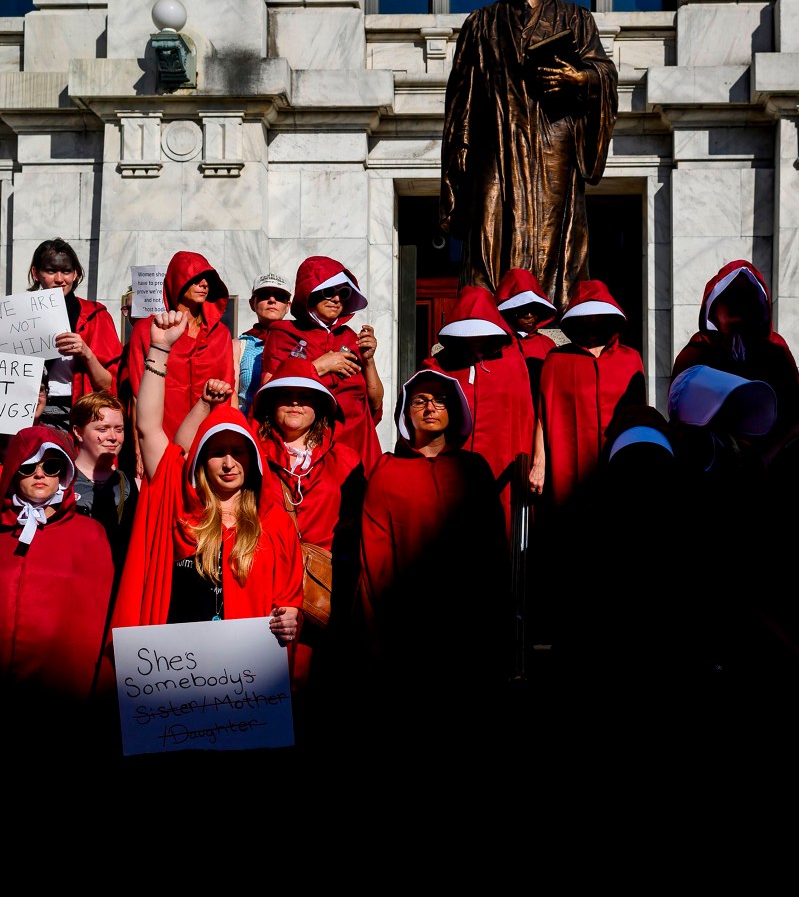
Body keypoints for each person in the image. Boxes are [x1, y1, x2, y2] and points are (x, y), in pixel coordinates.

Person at [0, 426, 117, 824]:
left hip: (57, 700)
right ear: (13, 470)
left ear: (65, 475)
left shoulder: (90, 534)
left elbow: (95, 619)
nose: (40, 474)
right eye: (29, 466)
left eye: (52, 466)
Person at [439, 0, 618, 309]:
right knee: (488, 221)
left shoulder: (574, 18)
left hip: (552, 140)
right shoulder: (480, 22)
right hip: (496, 140)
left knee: (552, 229)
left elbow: (604, 71)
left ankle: (549, 309)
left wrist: (579, 80)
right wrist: (461, 143)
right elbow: (462, 91)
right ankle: (484, 309)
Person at [111, 310, 301, 643]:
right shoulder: (181, 507)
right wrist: (159, 348)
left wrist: (290, 617)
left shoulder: (275, 522)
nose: (229, 463)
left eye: (238, 452)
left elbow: (287, 601)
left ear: (254, 460)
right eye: (217, 452)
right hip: (178, 675)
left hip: (245, 674)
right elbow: (148, 428)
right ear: (201, 461)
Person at [346, 368, 508, 748]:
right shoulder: (386, 472)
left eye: (439, 400)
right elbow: (374, 556)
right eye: (419, 400)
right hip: (407, 628)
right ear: (407, 412)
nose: (430, 407)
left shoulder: (474, 469)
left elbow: (493, 550)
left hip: (468, 627)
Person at [252, 357, 366, 731]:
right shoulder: (248, 453)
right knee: (262, 699)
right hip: (262, 592)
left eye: (305, 397)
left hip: (323, 597)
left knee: (319, 701)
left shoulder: (346, 458)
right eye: (286, 396)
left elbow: (361, 529)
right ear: (270, 404)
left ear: (319, 407)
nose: (296, 403)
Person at [673, 260, 799, 461]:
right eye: (730, 301)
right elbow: (682, 417)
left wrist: (766, 461)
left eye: (746, 300)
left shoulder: (775, 349)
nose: (738, 310)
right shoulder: (699, 349)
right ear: (714, 308)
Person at [424, 285, 536, 531]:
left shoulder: (513, 364)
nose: (475, 338)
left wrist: (532, 463)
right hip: (450, 469)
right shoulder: (437, 365)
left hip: (502, 464)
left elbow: (526, 415)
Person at [260, 255, 384, 475]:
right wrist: (320, 366)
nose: (336, 299)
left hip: (358, 442)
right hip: (312, 445)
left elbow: (375, 402)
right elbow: (270, 392)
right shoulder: (283, 334)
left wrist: (369, 360)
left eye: (343, 293)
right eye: (329, 291)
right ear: (310, 293)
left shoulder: (350, 337)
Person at [528, 279, 645, 509]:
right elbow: (543, 415)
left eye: (598, 321)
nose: (592, 328)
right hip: (570, 467)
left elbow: (639, 417)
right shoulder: (557, 360)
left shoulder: (631, 359)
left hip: (618, 461)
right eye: (585, 322)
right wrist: (538, 463)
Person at [122, 249, 235, 442]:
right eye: (196, 277)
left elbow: (229, 390)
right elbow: (136, 394)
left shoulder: (221, 334)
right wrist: (140, 449)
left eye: (208, 279)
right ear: (178, 281)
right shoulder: (148, 330)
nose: (204, 284)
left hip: (209, 439)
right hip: (161, 437)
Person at [27, 239, 123, 429]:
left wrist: (86, 353)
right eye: (51, 271)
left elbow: (108, 385)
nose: (60, 279)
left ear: (76, 274)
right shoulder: (15, 316)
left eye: (67, 271)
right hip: (27, 414)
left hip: (79, 416)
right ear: (35, 273)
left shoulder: (95, 316)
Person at [68, 390, 137, 579]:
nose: (113, 437)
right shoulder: (60, 482)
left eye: (119, 429)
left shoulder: (133, 486)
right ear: (78, 432)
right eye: (102, 429)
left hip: (115, 592)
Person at [233, 272, 292, 415]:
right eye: (264, 295)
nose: (272, 300)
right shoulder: (238, 345)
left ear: (288, 305)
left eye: (279, 296)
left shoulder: (300, 343)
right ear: (252, 303)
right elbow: (231, 395)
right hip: (248, 428)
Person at [495, 267, 558, 398]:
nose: (529, 315)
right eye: (522, 309)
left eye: (533, 309)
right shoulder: (496, 346)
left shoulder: (547, 345)